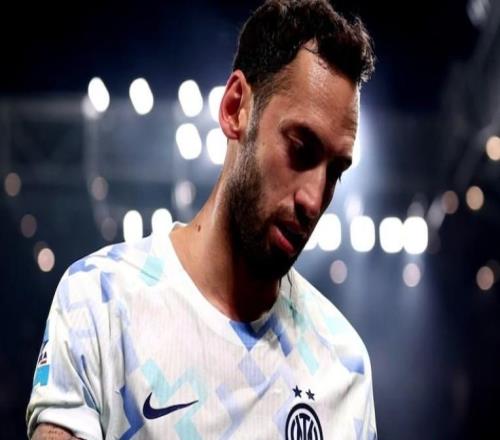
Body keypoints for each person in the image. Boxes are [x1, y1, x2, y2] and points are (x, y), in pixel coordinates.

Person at [27, 0, 376, 438]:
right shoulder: (99, 303)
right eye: (300, 148)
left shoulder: (344, 366)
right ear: (234, 108)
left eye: (335, 172)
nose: (314, 198)